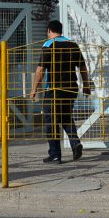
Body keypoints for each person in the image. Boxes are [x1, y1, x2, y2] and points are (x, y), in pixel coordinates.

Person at [30, 20, 91, 164]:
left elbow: (40, 70)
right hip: (71, 88)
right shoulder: (73, 45)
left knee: (51, 120)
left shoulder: (49, 45)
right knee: (65, 117)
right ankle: (75, 143)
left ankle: (55, 153)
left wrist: (34, 89)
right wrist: (86, 85)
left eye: (47, 32)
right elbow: (82, 67)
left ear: (50, 30)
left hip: (54, 90)